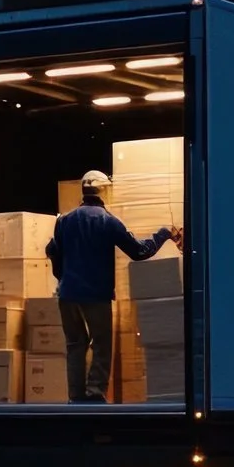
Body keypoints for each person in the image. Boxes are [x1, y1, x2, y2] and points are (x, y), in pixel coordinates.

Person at [46, 170, 181, 403]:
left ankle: (76, 397)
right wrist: (163, 233)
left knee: (75, 344)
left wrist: (63, 279)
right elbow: (139, 251)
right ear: (104, 191)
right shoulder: (107, 221)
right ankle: (95, 393)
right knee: (101, 344)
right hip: (95, 294)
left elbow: (52, 251)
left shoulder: (64, 220)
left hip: (67, 295)